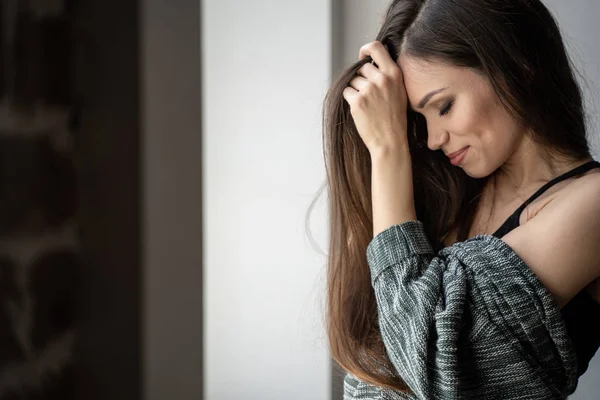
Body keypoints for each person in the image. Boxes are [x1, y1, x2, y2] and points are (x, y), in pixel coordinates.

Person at [320, 0, 600, 398]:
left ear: (518, 65)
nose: (434, 139)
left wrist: (388, 151)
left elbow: (433, 364)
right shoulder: (450, 191)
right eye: (420, 119)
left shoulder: (590, 202)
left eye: (444, 107)